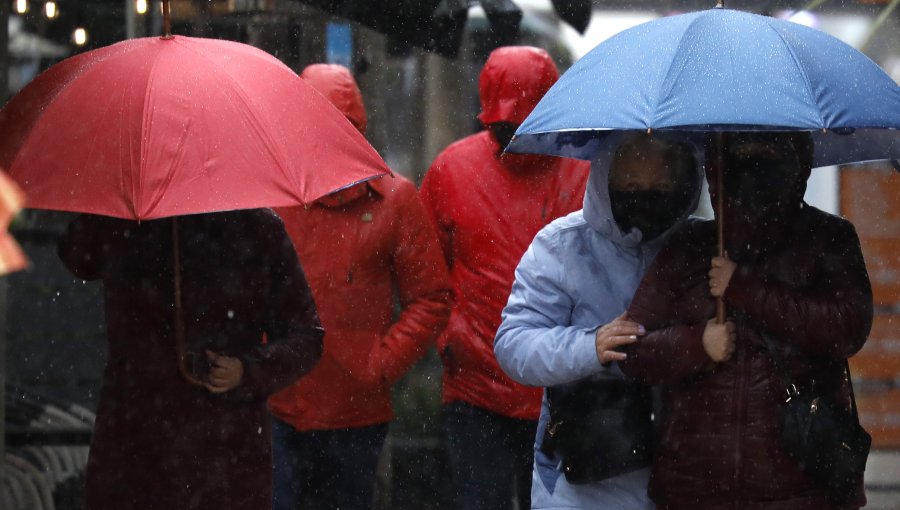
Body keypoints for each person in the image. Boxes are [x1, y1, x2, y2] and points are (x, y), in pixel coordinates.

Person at [618, 132, 874, 509]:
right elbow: (633, 349)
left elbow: (847, 329)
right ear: (717, 167)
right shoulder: (689, 245)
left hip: (805, 488)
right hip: (696, 487)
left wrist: (745, 288)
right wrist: (697, 344)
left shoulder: (828, 239)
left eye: (769, 156)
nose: (752, 170)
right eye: (739, 157)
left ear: (797, 162)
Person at [267, 63, 453, 510]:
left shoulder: (395, 200)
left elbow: (431, 296)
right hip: (276, 400)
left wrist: (381, 363)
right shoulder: (271, 193)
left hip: (354, 412)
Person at [58, 209, 324, 510]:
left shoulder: (257, 228)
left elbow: (306, 336)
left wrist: (247, 371)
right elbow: (76, 255)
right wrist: (113, 201)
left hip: (223, 452)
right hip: (135, 444)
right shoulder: (125, 220)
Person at [419, 45, 590, 510]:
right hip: (481, 385)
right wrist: (450, 336)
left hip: (558, 384)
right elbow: (425, 273)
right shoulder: (451, 171)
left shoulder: (584, 173)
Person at [494, 133, 703, 509]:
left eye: (663, 185)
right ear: (609, 178)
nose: (647, 195)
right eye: (632, 184)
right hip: (582, 474)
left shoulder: (702, 249)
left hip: (681, 470)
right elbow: (514, 344)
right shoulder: (561, 245)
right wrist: (591, 346)